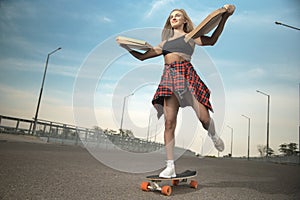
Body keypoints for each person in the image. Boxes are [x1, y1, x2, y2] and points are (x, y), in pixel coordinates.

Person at [118, 5, 235, 178]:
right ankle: (170, 166)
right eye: (171, 16)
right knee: (169, 123)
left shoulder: (191, 37)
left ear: (184, 20)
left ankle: (213, 135)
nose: (173, 17)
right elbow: (143, 56)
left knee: (204, 118)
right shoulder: (164, 44)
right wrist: (127, 47)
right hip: (169, 77)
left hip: (187, 75)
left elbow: (212, 40)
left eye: (178, 15)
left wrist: (224, 17)